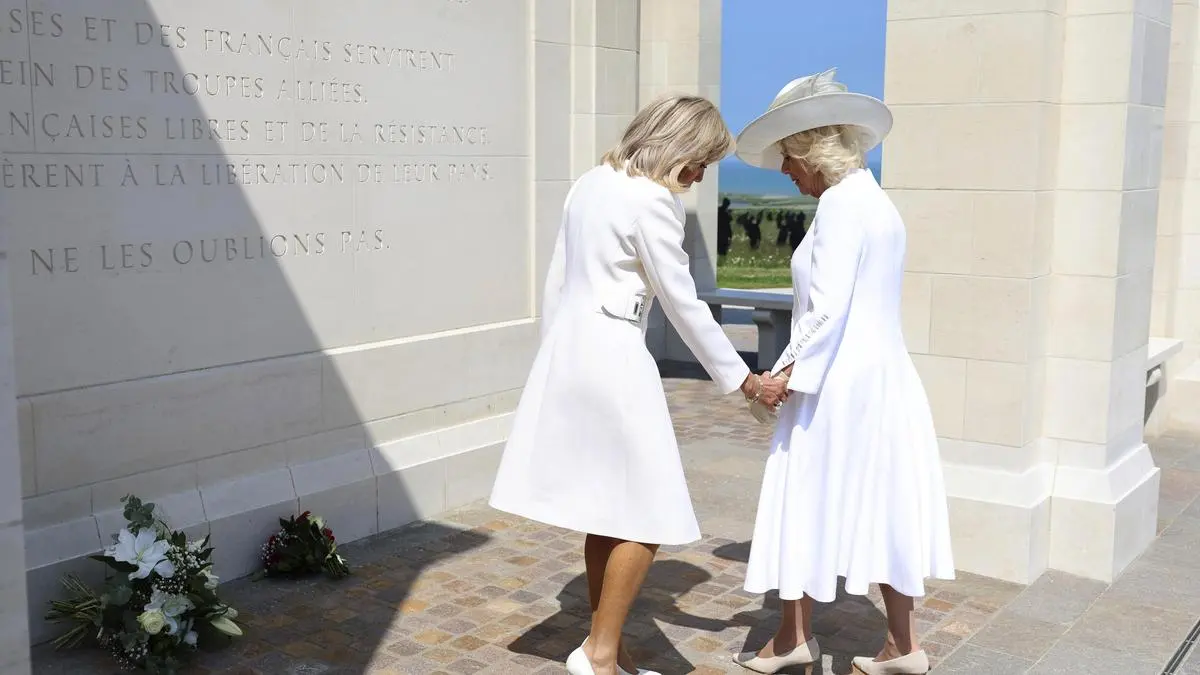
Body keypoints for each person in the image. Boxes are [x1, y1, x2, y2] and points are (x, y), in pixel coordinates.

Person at [488, 94, 789, 675]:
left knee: (607, 507)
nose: (699, 176)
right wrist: (745, 382)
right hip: (615, 357)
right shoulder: (651, 201)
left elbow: (557, 280)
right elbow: (684, 304)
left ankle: (611, 651)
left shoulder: (590, 183)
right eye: (700, 162)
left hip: (571, 351)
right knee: (649, 512)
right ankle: (599, 653)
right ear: (679, 147)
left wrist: (553, 360)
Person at [729, 68, 955, 675]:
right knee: (886, 502)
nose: (784, 170)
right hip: (885, 380)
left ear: (809, 150)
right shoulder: (878, 203)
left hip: (834, 386)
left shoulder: (837, 206)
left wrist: (779, 375)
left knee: (801, 496)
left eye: (787, 156)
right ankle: (903, 646)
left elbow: (825, 310)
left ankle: (791, 640)